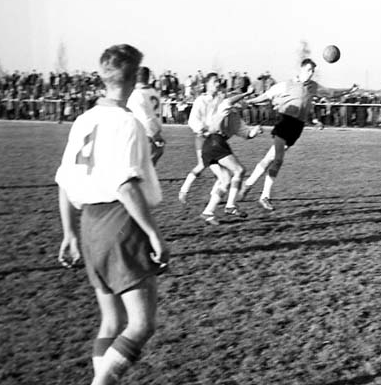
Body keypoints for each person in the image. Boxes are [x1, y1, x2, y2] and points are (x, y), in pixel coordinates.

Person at [55, 44, 167, 385]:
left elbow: (64, 181)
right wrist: (153, 234)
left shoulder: (83, 120)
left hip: (89, 226)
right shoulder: (127, 122)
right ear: (134, 79)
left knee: (112, 322)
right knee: (141, 324)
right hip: (120, 225)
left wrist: (69, 233)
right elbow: (125, 185)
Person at [239, 59, 323, 212]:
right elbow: (267, 95)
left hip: (297, 127)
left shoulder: (313, 87)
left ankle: (248, 184)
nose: (311, 73)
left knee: (270, 159)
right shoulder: (287, 84)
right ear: (301, 69)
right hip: (284, 122)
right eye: (309, 70)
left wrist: (349, 90)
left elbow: (325, 95)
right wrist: (250, 101)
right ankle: (264, 196)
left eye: (313, 71)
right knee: (278, 159)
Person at [198, 88, 262, 224]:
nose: (245, 102)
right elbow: (228, 101)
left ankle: (208, 212)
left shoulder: (237, 119)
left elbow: (247, 134)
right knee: (239, 170)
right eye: (242, 100)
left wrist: (255, 131)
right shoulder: (224, 108)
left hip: (211, 145)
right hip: (215, 142)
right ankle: (230, 206)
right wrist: (246, 93)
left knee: (226, 180)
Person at [178, 73, 225, 204]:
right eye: (214, 81)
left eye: (218, 81)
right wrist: (202, 130)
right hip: (202, 138)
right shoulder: (201, 100)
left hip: (215, 138)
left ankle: (187, 191)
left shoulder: (220, 99)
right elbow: (193, 120)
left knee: (211, 167)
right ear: (207, 84)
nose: (217, 84)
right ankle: (186, 191)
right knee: (206, 166)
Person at [126, 66, 165, 165]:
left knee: (139, 167)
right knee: (148, 167)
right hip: (154, 130)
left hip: (143, 133)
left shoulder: (137, 94)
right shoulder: (153, 92)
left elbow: (145, 117)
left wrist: (154, 135)